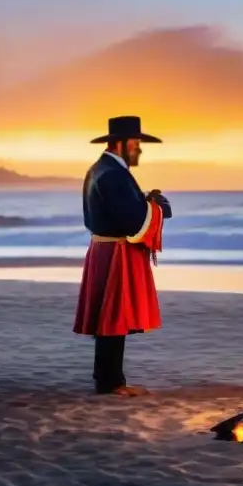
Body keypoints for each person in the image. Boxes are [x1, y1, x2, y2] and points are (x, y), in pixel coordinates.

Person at [73, 115, 172, 396]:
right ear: (119, 144)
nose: (139, 149)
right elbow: (132, 220)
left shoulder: (100, 169)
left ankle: (107, 379)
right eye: (136, 143)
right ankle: (111, 383)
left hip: (104, 248)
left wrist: (145, 202)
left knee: (110, 317)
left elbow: (125, 209)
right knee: (114, 317)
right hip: (117, 250)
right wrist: (158, 207)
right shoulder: (113, 174)